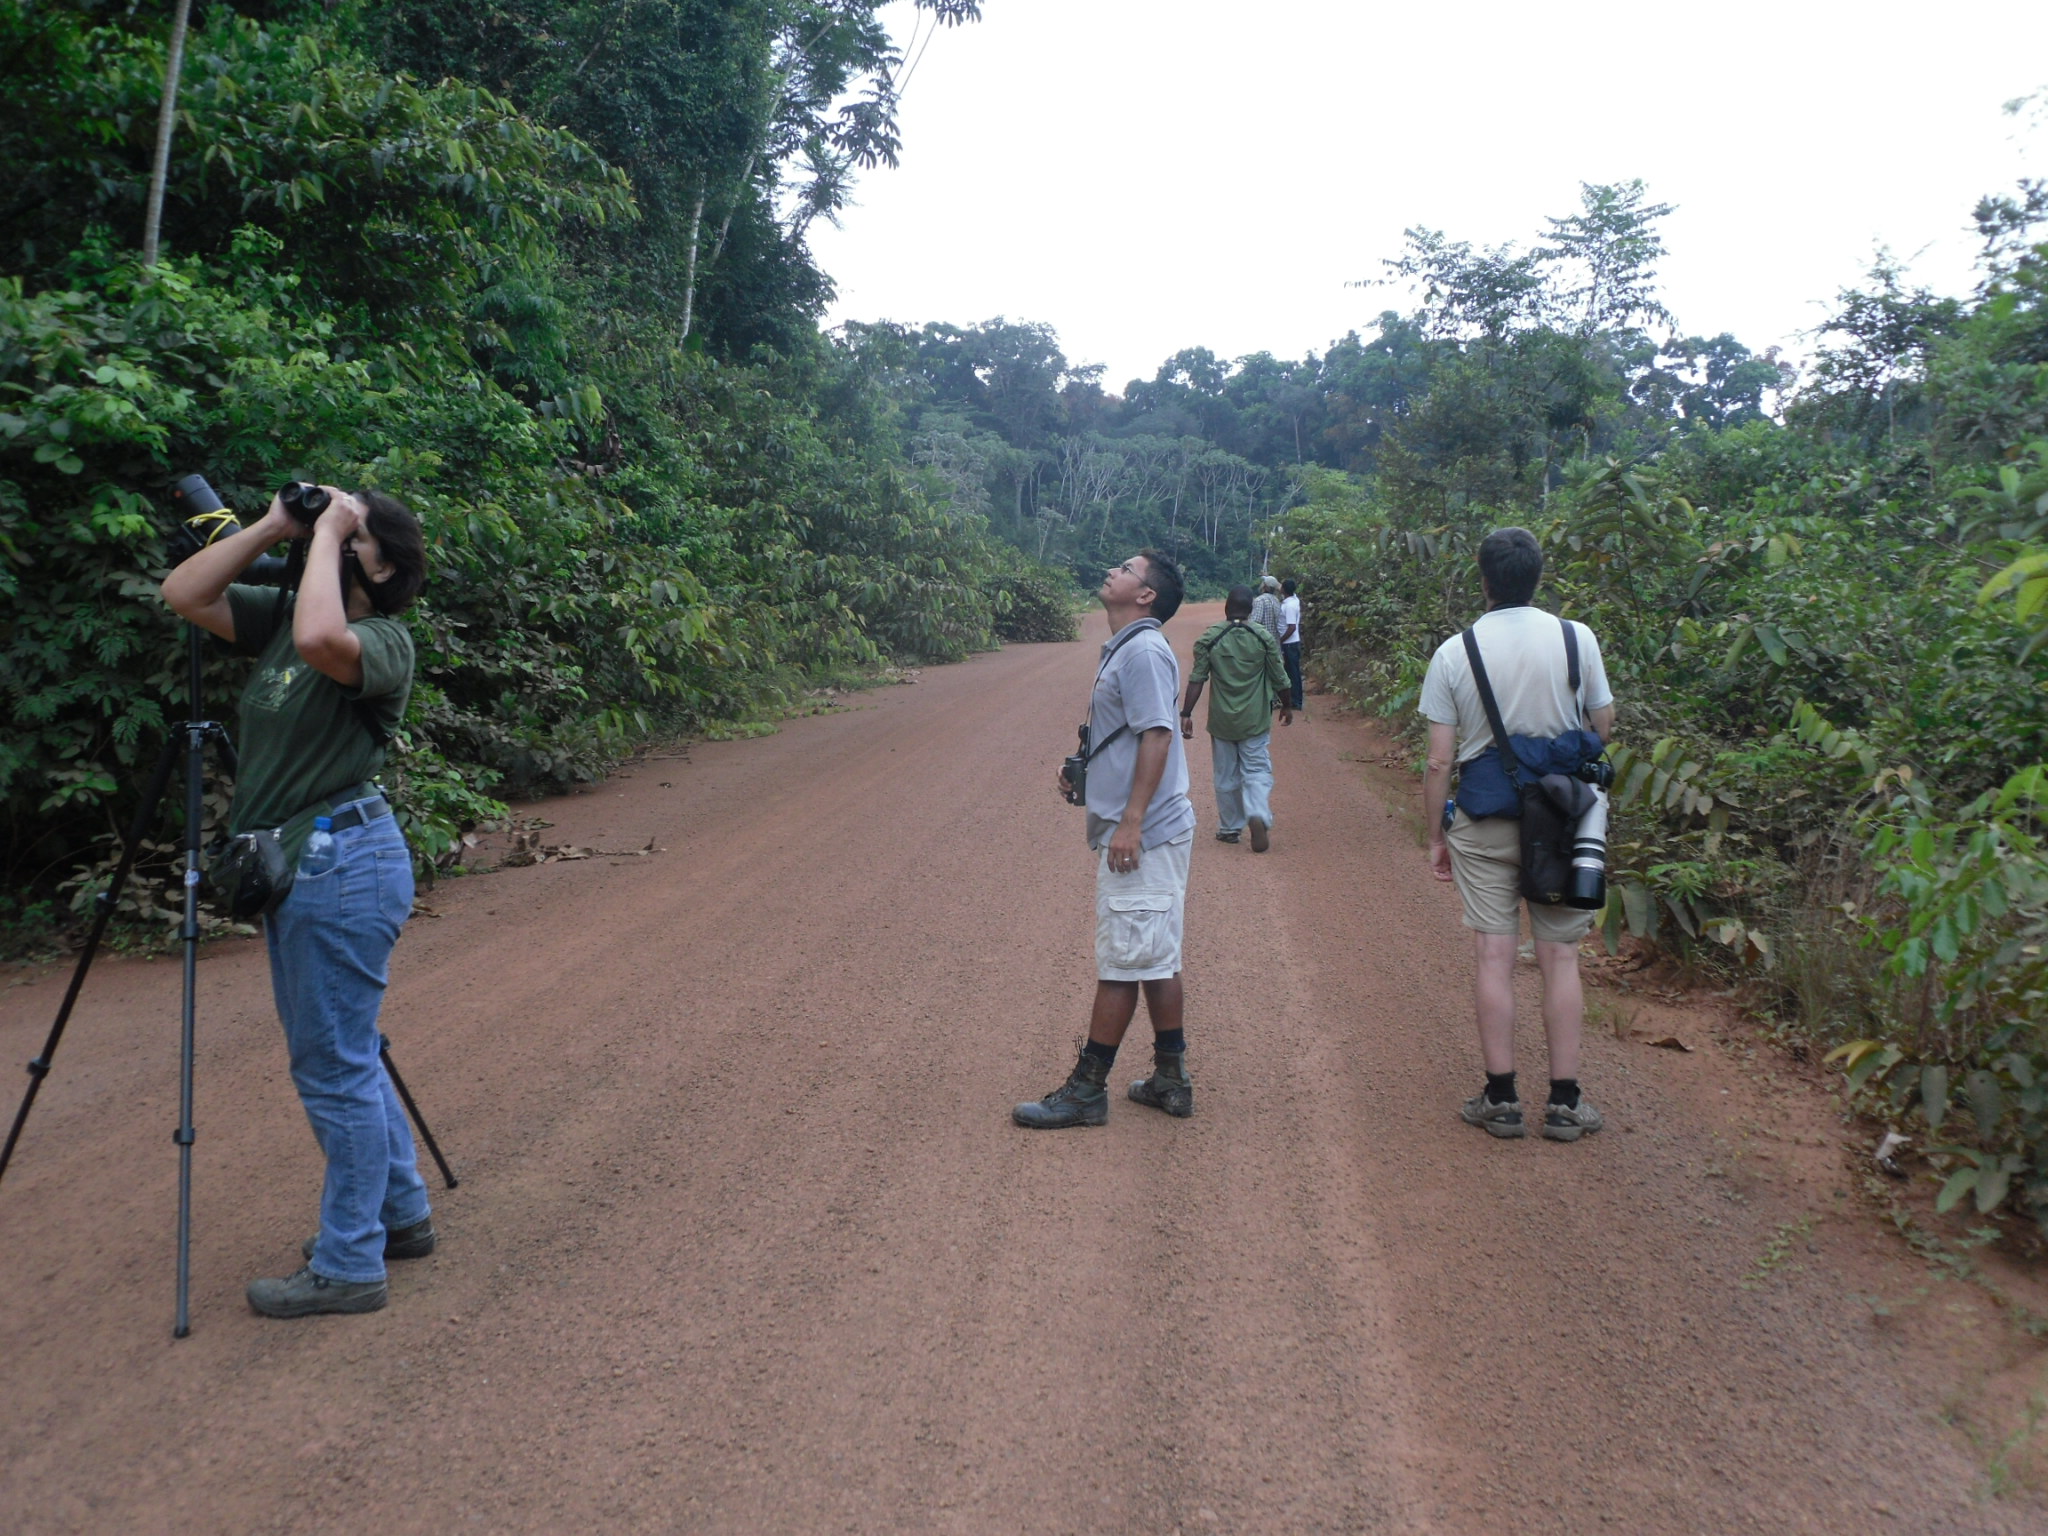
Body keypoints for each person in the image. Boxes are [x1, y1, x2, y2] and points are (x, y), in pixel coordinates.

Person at [163, 484, 434, 1316]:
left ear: (382, 564)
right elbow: (185, 593)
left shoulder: (383, 640)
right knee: (348, 1052)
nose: (332, 537)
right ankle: (399, 1213)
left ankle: (351, 1263)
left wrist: (332, 533)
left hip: (342, 861)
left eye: (353, 535)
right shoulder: (280, 620)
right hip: (310, 864)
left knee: (332, 1067)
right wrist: (280, 525)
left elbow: (324, 636)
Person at [1419, 527, 1615, 1143]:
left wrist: (1436, 836)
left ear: (1484, 580)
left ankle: (1501, 1099)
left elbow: (1437, 761)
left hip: (1485, 819)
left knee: (1494, 955)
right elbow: (1603, 725)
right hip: (1559, 821)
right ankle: (1565, 1103)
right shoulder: (1575, 637)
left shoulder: (1456, 651)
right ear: (1537, 577)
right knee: (1560, 957)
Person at [1017, 549, 1196, 1127]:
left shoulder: (1143, 650)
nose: (1114, 571)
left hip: (1148, 832)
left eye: (1127, 568)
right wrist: (1087, 770)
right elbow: (1130, 733)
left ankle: (1087, 1090)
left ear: (1146, 595)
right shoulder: (1131, 647)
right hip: (1153, 827)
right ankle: (1170, 1078)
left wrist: (1131, 821)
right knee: (1155, 953)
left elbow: (1158, 737)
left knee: (1122, 959)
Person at [1181, 585, 1291, 852]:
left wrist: (1186, 713)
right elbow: (1279, 677)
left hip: (1222, 721)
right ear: (1251, 610)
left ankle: (1230, 828)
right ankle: (1257, 811)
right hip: (1254, 719)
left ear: (1226, 608)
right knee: (1255, 769)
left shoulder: (1211, 638)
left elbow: (1198, 678)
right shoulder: (1263, 637)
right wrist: (1287, 705)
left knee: (1226, 774)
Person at [1278, 578, 1304, 710]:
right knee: (1293, 672)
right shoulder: (1294, 600)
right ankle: (1295, 699)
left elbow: (1292, 627)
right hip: (1293, 642)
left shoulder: (1288, 606)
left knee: (1292, 673)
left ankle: (1296, 701)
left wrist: (1280, 640)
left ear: (1283, 589)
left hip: (1289, 643)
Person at [1249, 575, 1284, 648]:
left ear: (1265, 586)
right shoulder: (1276, 601)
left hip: (1263, 643)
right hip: (1275, 643)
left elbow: (1255, 622)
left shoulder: (1259, 600)